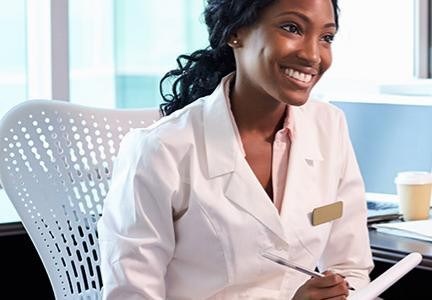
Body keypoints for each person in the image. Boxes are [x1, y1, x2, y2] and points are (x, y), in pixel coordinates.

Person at [98, 0, 373, 298]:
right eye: (292, 28)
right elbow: (131, 294)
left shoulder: (329, 125)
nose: (312, 55)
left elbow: (351, 268)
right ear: (236, 32)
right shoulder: (160, 149)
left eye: (326, 37)